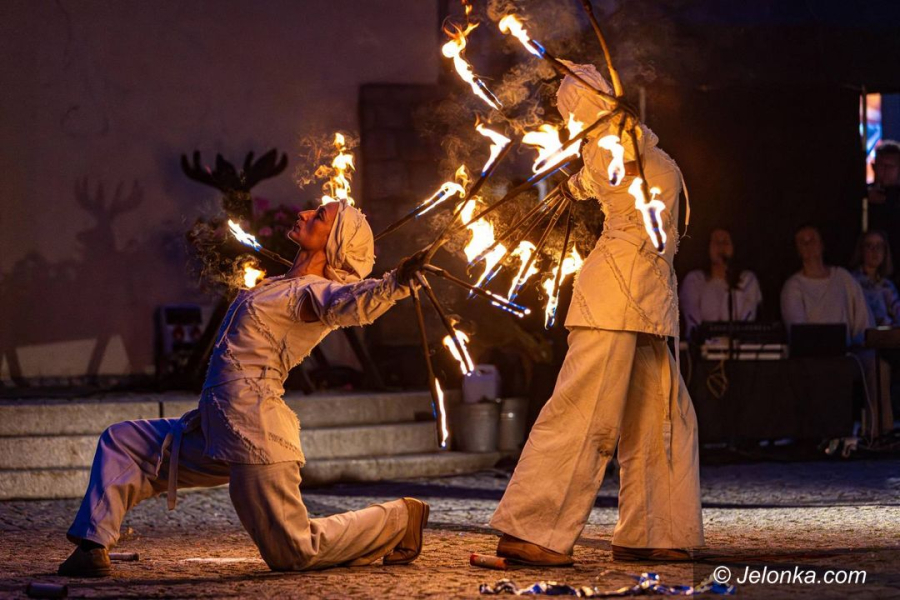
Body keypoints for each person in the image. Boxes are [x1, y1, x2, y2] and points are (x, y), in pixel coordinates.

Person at [59, 200, 430, 577]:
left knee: (294, 550)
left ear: (333, 242)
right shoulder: (281, 285)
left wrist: (395, 283)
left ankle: (399, 519)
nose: (303, 214)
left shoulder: (314, 294)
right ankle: (93, 545)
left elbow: (350, 303)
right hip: (214, 427)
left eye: (318, 216)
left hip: (255, 432)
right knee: (124, 442)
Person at [489, 62, 704, 566]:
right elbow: (615, 167)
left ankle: (652, 530)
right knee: (585, 412)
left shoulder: (621, 139)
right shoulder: (614, 142)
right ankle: (534, 529)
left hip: (646, 298)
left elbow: (603, 174)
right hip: (614, 295)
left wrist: (577, 184)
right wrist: (595, 161)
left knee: (664, 416)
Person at [781, 225, 893, 437]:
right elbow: (798, 332)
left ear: (822, 245)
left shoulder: (842, 278)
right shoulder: (793, 286)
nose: (808, 245)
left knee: (877, 365)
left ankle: (879, 433)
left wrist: (857, 341)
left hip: (848, 354)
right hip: (813, 360)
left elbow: (862, 321)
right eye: (802, 242)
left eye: (811, 239)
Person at [680, 228, 762, 339]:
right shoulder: (694, 280)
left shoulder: (747, 280)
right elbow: (694, 325)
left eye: (726, 242)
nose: (721, 246)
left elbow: (746, 323)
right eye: (716, 242)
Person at [850, 230, 900, 326]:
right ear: (861, 250)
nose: (875, 251)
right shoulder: (852, 282)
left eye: (879, 246)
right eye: (869, 246)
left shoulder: (887, 285)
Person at [864, 141, 900, 263]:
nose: (884, 171)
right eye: (880, 165)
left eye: (890, 166)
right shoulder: (865, 193)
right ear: (873, 167)